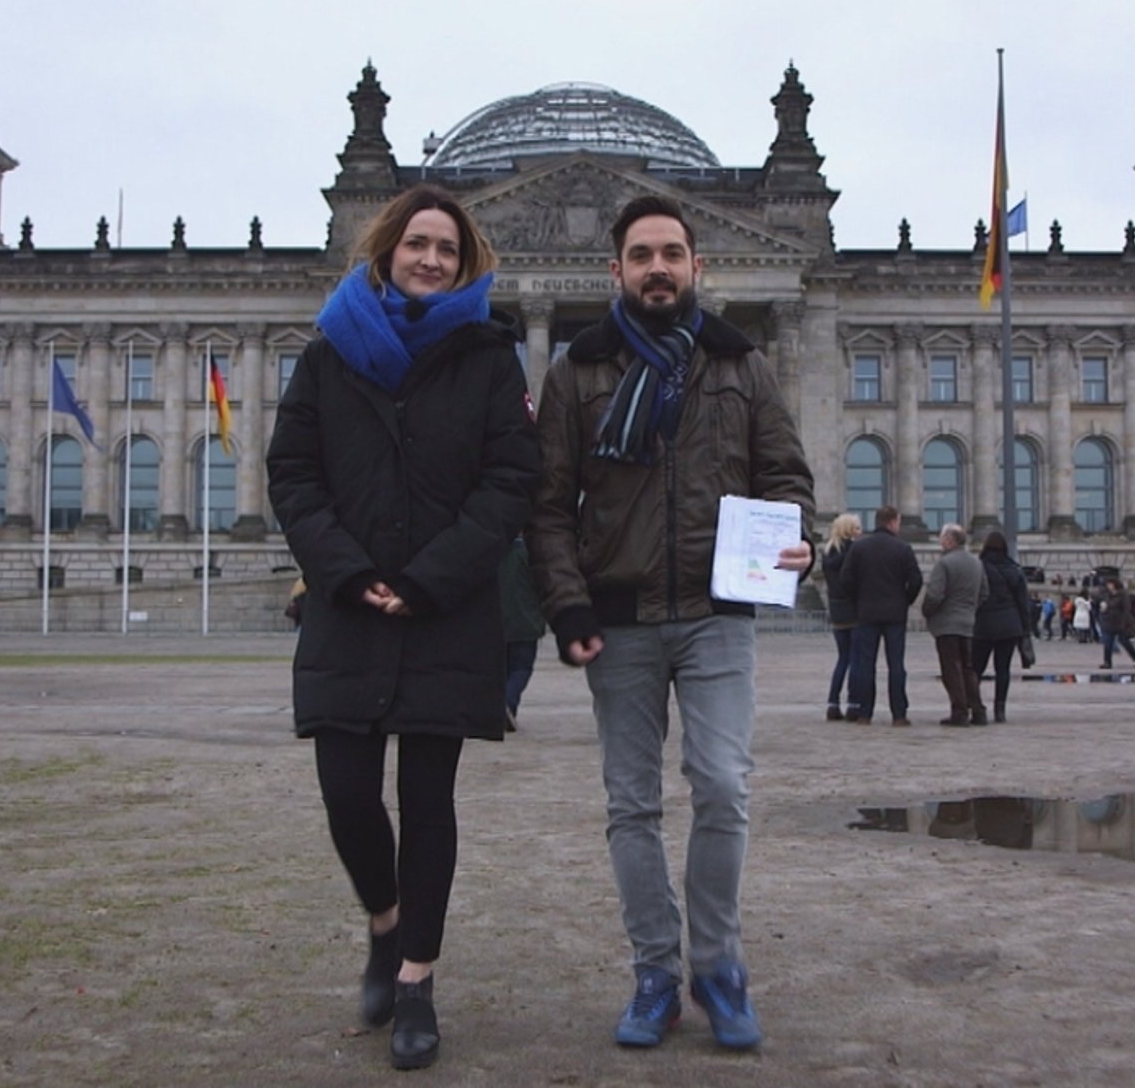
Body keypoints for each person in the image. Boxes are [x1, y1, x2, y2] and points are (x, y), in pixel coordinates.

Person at [527, 194, 813, 1052]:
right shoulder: (575, 370)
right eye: (642, 255)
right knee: (632, 804)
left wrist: (798, 537)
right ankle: (656, 973)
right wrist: (568, 604)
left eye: (673, 254)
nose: (659, 268)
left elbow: (786, 476)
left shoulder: (743, 364)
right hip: (619, 618)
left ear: (697, 268)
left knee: (724, 788)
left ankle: (718, 966)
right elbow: (546, 508)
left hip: (718, 613)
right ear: (613, 271)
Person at [266, 185, 539, 1071]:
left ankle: (416, 980)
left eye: (447, 250)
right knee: (347, 792)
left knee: (428, 805)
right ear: (384, 250)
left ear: (466, 266)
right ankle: (385, 925)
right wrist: (345, 573)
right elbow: (294, 474)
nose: (430, 259)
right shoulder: (327, 354)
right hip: (348, 607)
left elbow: (510, 481)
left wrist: (430, 579)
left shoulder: (493, 356)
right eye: (417, 243)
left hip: (445, 610)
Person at [835, 505, 923, 726]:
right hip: (895, 614)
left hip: (866, 612)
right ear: (893, 522)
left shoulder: (860, 548)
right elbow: (916, 580)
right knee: (896, 665)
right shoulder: (903, 548)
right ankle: (899, 714)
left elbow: (845, 580)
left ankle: (865, 713)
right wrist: (905, 600)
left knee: (866, 664)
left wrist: (858, 599)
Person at [920, 524, 986, 726]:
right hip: (967, 622)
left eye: (942, 538)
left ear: (950, 540)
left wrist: (927, 611)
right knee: (968, 668)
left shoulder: (944, 563)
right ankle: (978, 710)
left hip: (947, 624)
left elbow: (935, 595)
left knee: (951, 669)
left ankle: (959, 711)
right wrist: (969, 609)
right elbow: (984, 593)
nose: (940, 542)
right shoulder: (976, 563)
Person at [970, 531, 1034, 722]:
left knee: (976, 669)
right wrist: (1026, 630)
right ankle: (1000, 710)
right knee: (1003, 669)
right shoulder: (1014, 570)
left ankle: (975, 707)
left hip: (983, 625)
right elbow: (1023, 604)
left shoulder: (978, 568)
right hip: (1009, 625)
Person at [498, 537, 544, 732]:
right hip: (525, 622)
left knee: (500, 669)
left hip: (495, 622)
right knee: (520, 668)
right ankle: (507, 702)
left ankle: (501, 706)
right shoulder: (527, 553)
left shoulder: (490, 552)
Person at [819, 514, 863, 721]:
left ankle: (832, 703)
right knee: (855, 659)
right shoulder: (853, 551)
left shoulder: (828, 551)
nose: (860, 532)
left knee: (842, 659)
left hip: (836, 609)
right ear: (848, 530)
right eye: (857, 528)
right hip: (854, 609)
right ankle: (854, 704)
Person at [1098, 580, 1135, 669]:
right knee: (1108, 643)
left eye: (1110, 584)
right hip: (1109, 621)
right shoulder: (1108, 595)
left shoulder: (1123, 595)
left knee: (1125, 641)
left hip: (1120, 622)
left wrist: (1124, 622)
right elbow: (1104, 604)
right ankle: (1107, 662)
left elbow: (1126, 609)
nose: (1109, 586)